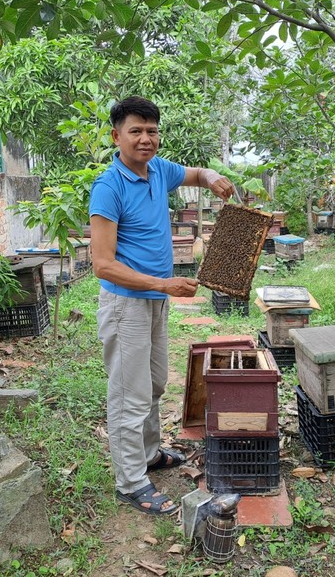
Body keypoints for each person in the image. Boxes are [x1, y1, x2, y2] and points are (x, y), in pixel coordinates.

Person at [89, 96, 236, 515]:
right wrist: (163, 283)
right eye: (136, 131)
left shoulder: (159, 171)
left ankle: (150, 455)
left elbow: (194, 173)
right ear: (117, 136)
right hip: (126, 305)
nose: (145, 139)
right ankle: (130, 482)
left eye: (152, 131)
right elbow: (102, 264)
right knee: (128, 395)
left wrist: (212, 176)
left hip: (155, 301)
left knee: (153, 385)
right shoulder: (108, 187)